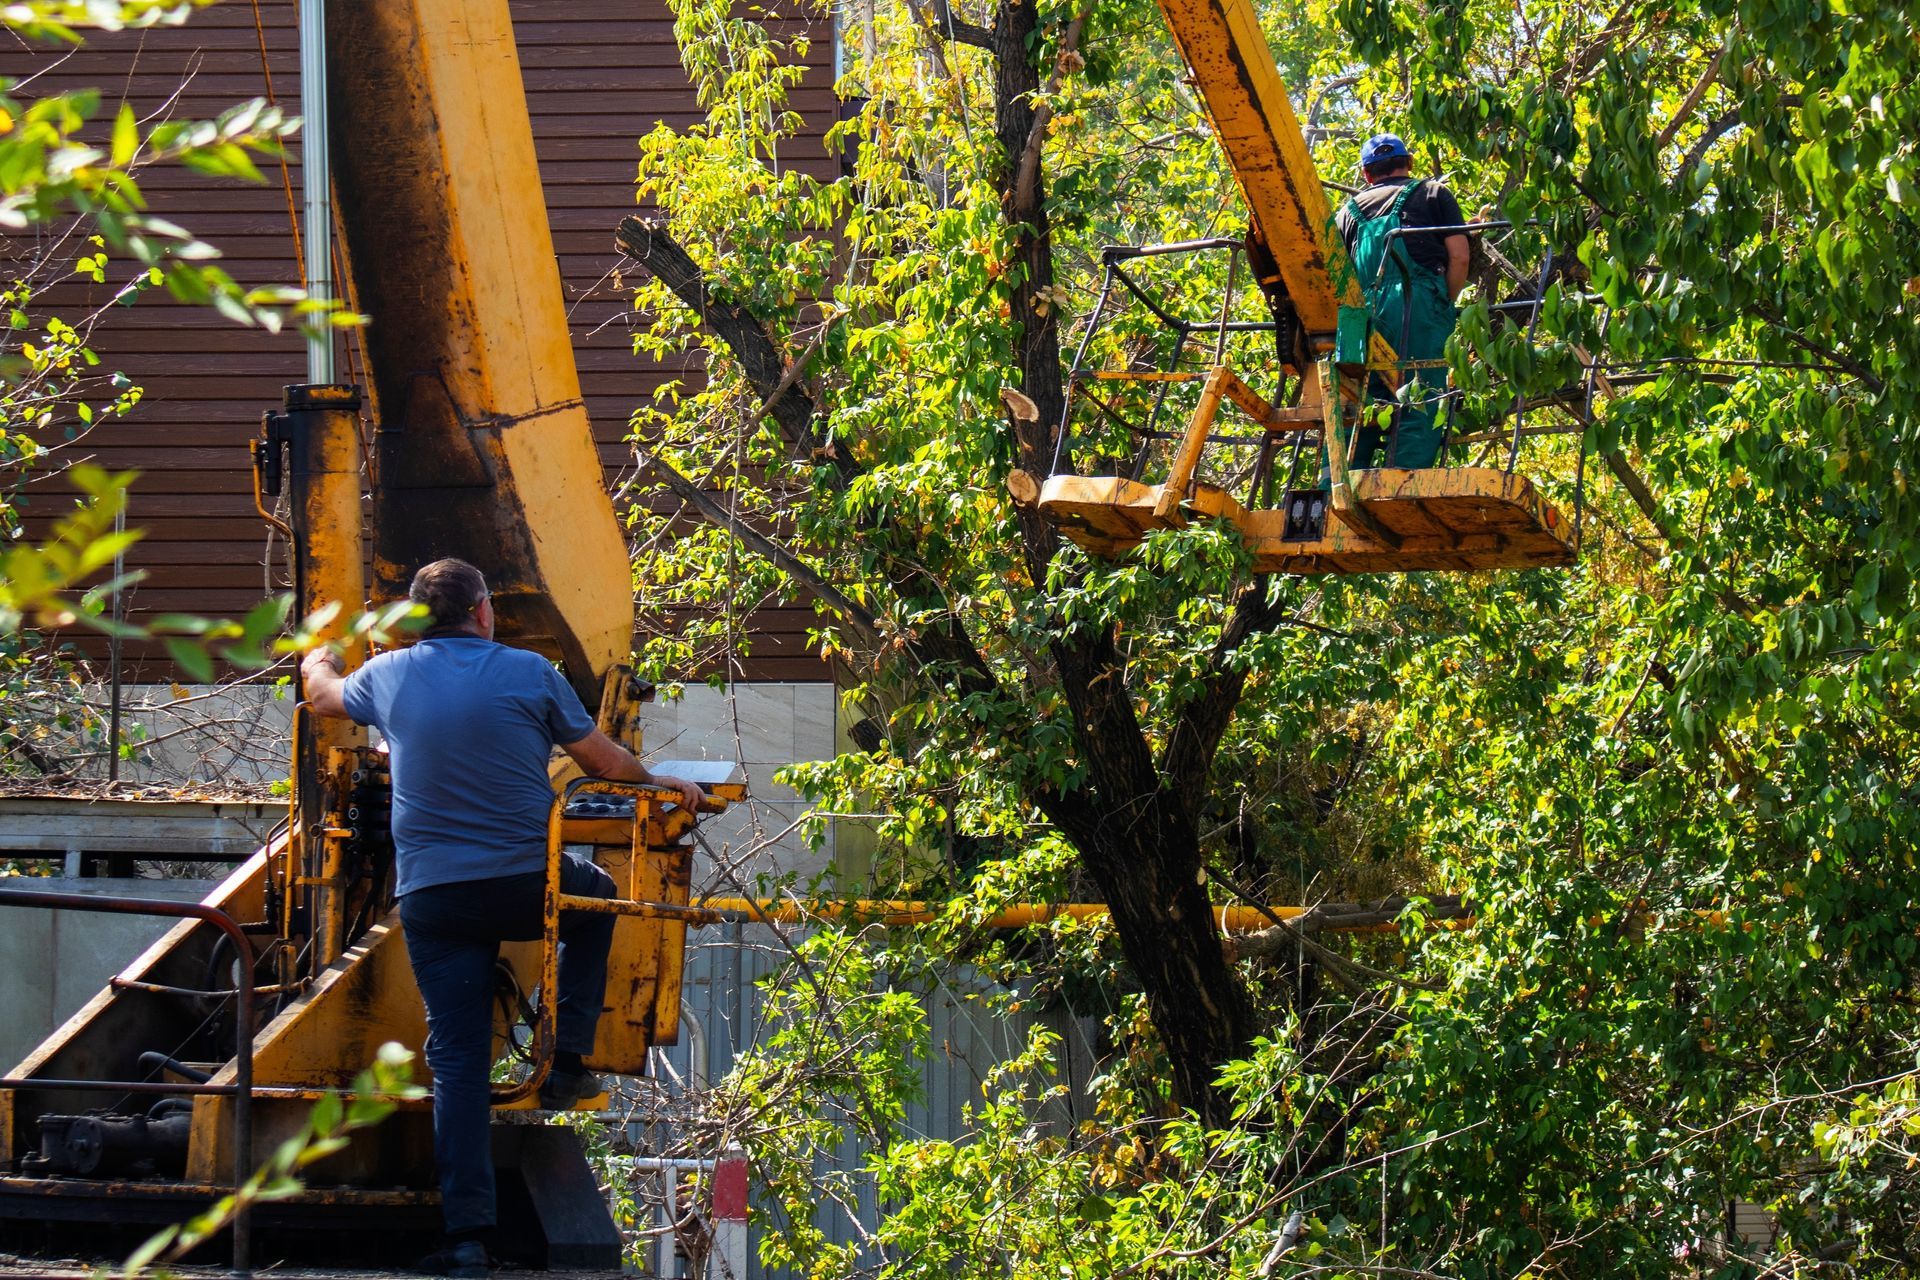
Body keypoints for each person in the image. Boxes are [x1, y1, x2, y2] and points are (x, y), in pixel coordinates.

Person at [301, 557, 703, 1277]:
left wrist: (319, 651)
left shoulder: (389, 676)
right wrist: (662, 780)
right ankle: (567, 1061)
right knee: (598, 900)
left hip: (434, 898)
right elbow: (604, 761)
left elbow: (323, 696)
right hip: (523, 883)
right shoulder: (529, 673)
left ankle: (466, 1241)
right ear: (484, 612)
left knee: (455, 1064)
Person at [1332, 132, 1471, 469]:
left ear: (1367, 174)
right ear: (1408, 164)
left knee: (1357, 401)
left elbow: (1335, 276)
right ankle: (1404, 485)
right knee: (1421, 397)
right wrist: (1442, 304)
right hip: (1419, 305)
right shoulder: (1434, 193)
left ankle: (1336, 485)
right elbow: (1461, 257)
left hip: (1361, 315)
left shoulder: (1345, 214)